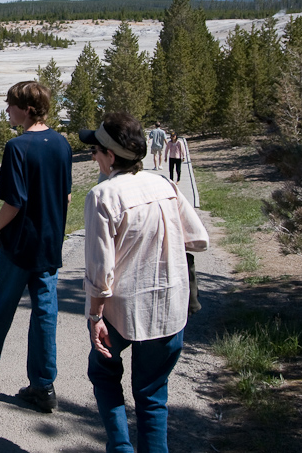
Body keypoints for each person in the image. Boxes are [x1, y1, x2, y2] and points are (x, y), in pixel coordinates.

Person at [80, 113, 209, 453]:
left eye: (95, 150)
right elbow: (197, 239)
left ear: (110, 156)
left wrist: (95, 317)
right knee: (152, 395)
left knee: (104, 374)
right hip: (169, 304)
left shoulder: (102, 196)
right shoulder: (164, 185)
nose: (93, 155)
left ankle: (121, 447)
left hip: (121, 308)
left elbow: (100, 271)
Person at [0, 81, 72, 413]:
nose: (7, 110)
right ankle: (43, 385)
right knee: (45, 311)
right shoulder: (61, 144)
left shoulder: (18, 147)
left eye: (10, 104)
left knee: (4, 302)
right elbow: (65, 195)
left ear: (26, 109)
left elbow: (14, 201)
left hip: (20, 242)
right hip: (50, 242)